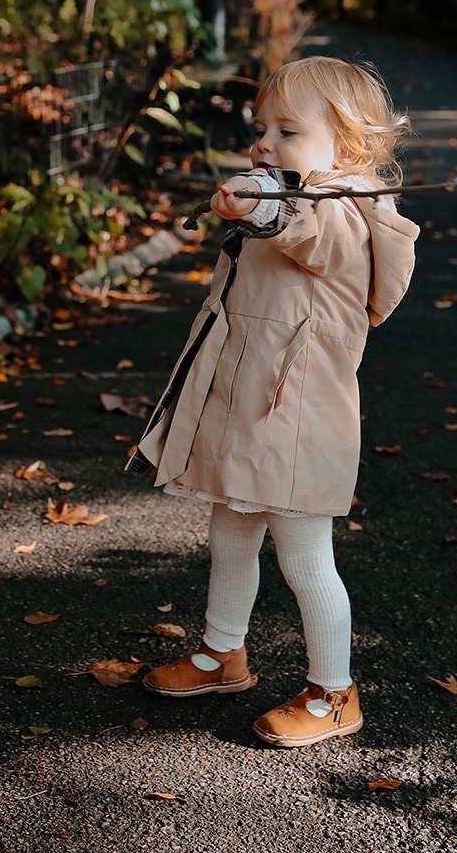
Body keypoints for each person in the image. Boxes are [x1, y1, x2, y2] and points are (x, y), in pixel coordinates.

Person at [132, 57, 419, 747]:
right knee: (230, 529)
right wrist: (252, 204)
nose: (265, 141)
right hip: (251, 401)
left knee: (304, 555)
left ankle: (334, 690)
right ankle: (222, 653)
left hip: (297, 416)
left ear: (347, 147)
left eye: (288, 129)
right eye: (262, 126)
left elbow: (304, 232)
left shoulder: (351, 211)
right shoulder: (292, 192)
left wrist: (260, 207)